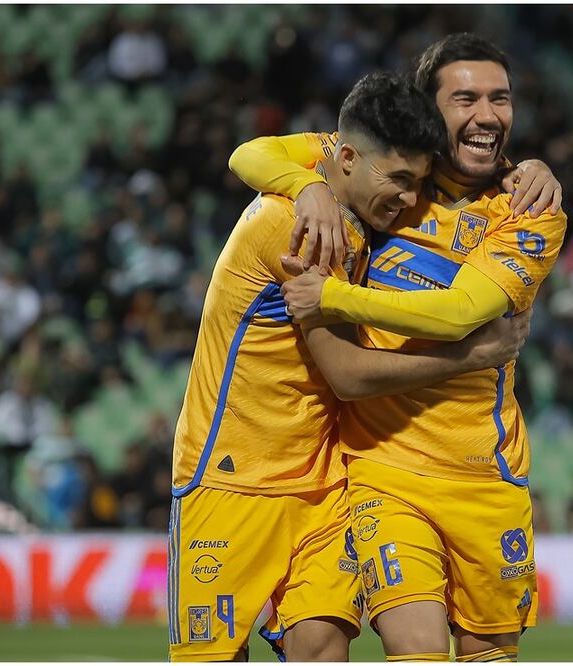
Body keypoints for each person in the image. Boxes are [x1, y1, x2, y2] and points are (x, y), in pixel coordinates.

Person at [169, 72, 530, 662]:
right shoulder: (298, 227)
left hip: (326, 480)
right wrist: (471, 357)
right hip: (234, 477)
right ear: (344, 159)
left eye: (419, 183)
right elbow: (348, 376)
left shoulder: (347, 208)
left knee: (321, 652)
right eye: (399, 180)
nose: (411, 200)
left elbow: (255, 154)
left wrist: (526, 168)